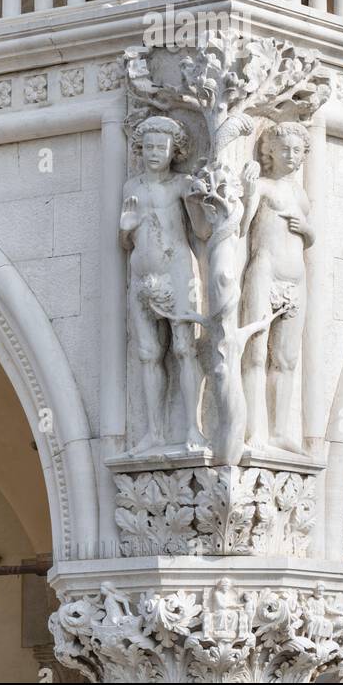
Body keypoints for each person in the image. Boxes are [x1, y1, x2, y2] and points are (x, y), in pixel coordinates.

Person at [119, 115, 205, 452]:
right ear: (140, 149)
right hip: (142, 277)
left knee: (185, 349)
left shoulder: (181, 184)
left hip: (178, 272)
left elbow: (200, 232)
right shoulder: (132, 187)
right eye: (149, 146)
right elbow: (125, 243)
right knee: (148, 353)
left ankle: (194, 429)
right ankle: (154, 433)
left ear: (174, 150)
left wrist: (197, 202)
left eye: (162, 146)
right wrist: (126, 227)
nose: (155, 152)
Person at [240, 122, 314, 451]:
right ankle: (253, 430)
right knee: (255, 353)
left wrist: (306, 228)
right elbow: (242, 228)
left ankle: (280, 430)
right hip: (265, 272)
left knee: (285, 359)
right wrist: (246, 189)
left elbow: (309, 237)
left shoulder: (300, 194)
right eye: (285, 149)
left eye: (297, 150)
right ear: (270, 151)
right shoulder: (265, 187)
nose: (291, 155)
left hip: (295, 277)